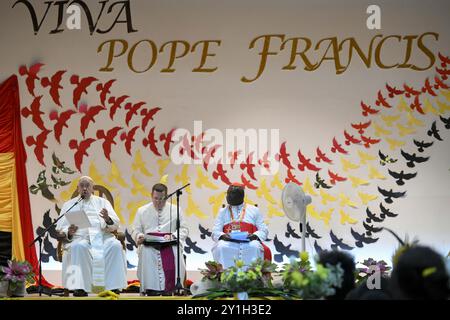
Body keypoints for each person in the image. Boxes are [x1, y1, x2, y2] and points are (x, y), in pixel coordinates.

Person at [55, 176, 127, 296]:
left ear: (92, 188)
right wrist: (69, 231)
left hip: (103, 236)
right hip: (80, 237)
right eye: (82, 186)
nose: (84, 188)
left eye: (87, 185)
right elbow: (60, 227)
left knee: (115, 245)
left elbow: (115, 224)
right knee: (78, 247)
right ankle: (80, 288)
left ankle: (113, 287)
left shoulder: (103, 202)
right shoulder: (69, 205)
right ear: (77, 188)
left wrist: (108, 219)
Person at [131, 183, 189, 296]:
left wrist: (174, 236)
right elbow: (135, 229)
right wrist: (139, 237)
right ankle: (150, 288)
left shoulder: (176, 210)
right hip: (149, 243)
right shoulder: (141, 211)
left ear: (166, 196)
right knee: (146, 251)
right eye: (155, 198)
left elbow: (184, 229)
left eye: (161, 199)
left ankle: (170, 288)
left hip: (169, 243)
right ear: (151, 196)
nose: (158, 202)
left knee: (175, 251)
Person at [212, 183, 270, 269]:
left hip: (249, 242)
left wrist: (255, 236)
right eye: (228, 194)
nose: (228, 197)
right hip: (229, 243)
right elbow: (215, 231)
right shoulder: (222, 212)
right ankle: (224, 277)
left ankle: (253, 277)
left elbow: (264, 229)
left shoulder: (254, 210)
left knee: (255, 246)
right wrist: (223, 236)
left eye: (232, 194)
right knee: (221, 246)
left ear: (241, 196)